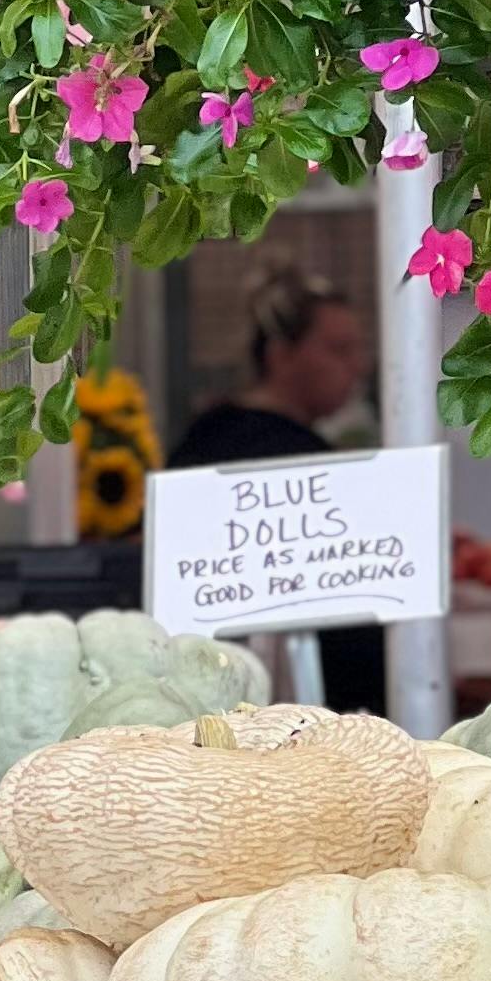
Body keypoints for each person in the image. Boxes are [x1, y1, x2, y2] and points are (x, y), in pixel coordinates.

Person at [167, 265, 384, 710]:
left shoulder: (207, 432)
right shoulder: (292, 453)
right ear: (281, 355)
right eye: (339, 350)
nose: (357, 366)